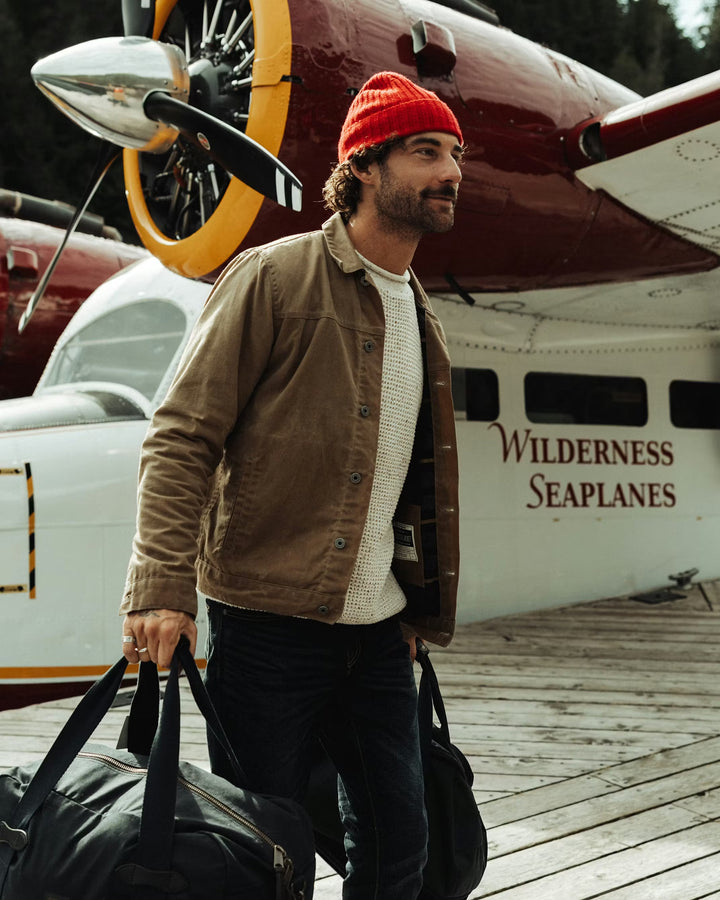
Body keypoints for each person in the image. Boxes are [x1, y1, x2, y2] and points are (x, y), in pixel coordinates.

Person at [120, 70, 462, 899]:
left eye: (456, 154)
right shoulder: (273, 279)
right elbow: (182, 434)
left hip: (379, 636)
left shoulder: (421, 316)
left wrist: (412, 608)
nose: (451, 173)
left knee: (401, 853)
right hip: (267, 632)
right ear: (366, 167)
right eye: (426, 152)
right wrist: (161, 588)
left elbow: (410, 479)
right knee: (263, 860)